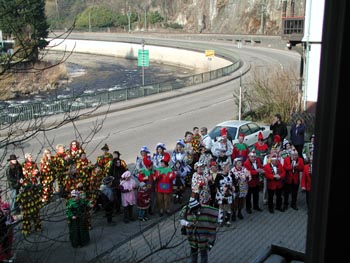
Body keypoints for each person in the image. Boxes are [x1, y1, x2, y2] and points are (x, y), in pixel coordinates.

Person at [179, 197, 218, 263]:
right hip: (192, 237)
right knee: (193, 253)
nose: (197, 210)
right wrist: (187, 223)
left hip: (202, 236)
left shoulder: (205, 208)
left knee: (203, 254)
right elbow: (180, 219)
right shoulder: (186, 209)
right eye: (195, 210)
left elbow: (217, 213)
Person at [153, 152, 175, 216]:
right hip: (160, 186)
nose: (161, 164)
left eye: (162, 163)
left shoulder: (170, 169)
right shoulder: (159, 169)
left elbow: (173, 176)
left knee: (167, 198)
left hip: (167, 186)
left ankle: (167, 209)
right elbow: (155, 177)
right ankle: (161, 209)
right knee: (160, 199)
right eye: (161, 163)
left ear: (165, 163)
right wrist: (158, 175)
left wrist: (171, 176)